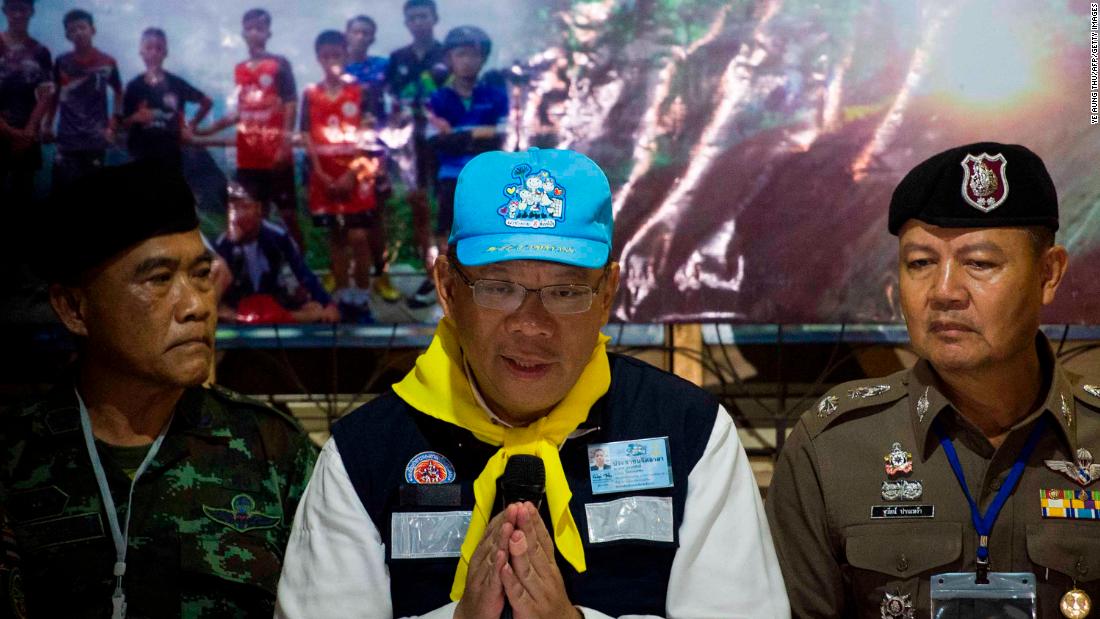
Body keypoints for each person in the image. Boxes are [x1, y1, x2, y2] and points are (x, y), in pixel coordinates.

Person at [275, 147, 789, 618]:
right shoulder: (363, 455)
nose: (531, 323)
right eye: (499, 288)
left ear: (608, 292)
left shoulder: (690, 434)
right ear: (448, 289)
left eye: (565, 292)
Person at [766, 142, 1100, 619]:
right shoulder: (834, 448)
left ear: (1049, 274)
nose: (944, 291)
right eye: (920, 263)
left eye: (980, 263)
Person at [0, 160, 318, 617]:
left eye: (202, 274)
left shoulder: (272, 453)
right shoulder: (15, 459)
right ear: (73, 307)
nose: (195, 305)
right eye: (159, 279)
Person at [198, 8, 302, 249]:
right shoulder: (240, 69)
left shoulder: (279, 64)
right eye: (249, 28)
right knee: (254, 215)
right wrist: (205, 132)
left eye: (259, 28)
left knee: (288, 216)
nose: (254, 33)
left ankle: (301, 273)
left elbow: (290, 104)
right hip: (249, 157)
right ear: (243, 33)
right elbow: (239, 112)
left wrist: (284, 146)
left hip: (275, 154)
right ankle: (264, 271)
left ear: (268, 33)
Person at [385, 0, 449, 308]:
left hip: (445, 145)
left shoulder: (449, 54)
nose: (419, 22)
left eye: (424, 16)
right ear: (406, 23)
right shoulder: (397, 58)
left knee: (450, 210)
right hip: (411, 145)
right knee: (419, 207)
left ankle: (453, 274)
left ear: (434, 18)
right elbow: (392, 103)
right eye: (412, 18)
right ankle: (429, 274)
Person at [425, 25, 507, 261]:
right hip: (451, 176)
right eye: (461, 54)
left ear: (483, 59)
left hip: (488, 174)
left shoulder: (496, 96)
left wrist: (461, 136)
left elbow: (504, 136)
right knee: (447, 229)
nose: (468, 61)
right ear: (449, 59)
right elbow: (437, 141)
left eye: (474, 55)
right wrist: (480, 134)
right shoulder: (438, 98)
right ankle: (446, 278)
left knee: (487, 229)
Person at [215, 181, 339, 324]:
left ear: (258, 208)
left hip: (277, 305)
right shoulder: (223, 245)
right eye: (235, 209)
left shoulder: (278, 237)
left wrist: (328, 304)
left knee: (314, 309)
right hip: (239, 309)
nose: (241, 214)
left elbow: (302, 272)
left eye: (246, 207)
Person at [345, 14, 401, 304]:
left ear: (372, 37)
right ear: (347, 34)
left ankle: (382, 275)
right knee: (342, 219)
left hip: (376, 150)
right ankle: (342, 273)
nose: (361, 37)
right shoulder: (336, 68)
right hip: (343, 153)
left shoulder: (382, 67)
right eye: (357, 32)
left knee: (376, 216)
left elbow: (396, 102)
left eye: (367, 33)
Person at [43, 8, 121, 189]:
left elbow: (118, 92)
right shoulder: (61, 62)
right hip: (67, 140)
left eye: (82, 27)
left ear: (92, 30)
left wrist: (113, 125)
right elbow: (55, 94)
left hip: (95, 140)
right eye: (72, 30)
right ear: (67, 35)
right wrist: (47, 124)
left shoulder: (107, 62)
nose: (78, 33)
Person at [121, 27, 212, 168]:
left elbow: (207, 102)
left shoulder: (176, 84)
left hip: (171, 154)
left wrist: (191, 126)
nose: (153, 53)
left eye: (159, 49)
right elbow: (123, 122)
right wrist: (136, 117)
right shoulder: (133, 86)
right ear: (141, 51)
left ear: (165, 53)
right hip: (140, 152)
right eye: (149, 48)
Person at [0, 0, 52, 210]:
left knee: (23, 197)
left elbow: (46, 94)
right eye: (13, 8)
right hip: (1, 129)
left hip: (26, 136)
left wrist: (28, 131)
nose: (18, 14)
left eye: (23, 8)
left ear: (31, 12)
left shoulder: (41, 52)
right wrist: (6, 130)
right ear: (5, 11)